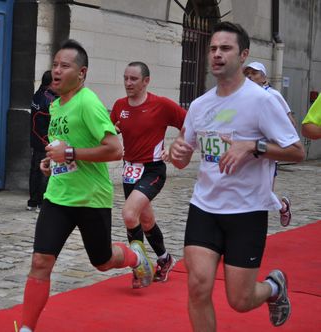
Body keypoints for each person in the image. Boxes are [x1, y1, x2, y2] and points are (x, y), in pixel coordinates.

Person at [169, 22, 305, 330]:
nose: (217, 54)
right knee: (197, 285)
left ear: (242, 55)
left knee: (240, 300)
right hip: (204, 206)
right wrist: (178, 153)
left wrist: (252, 146)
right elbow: (186, 153)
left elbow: (297, 151)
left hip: (247, 210)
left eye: (225, 48)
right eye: (213, 49)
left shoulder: (262, 101)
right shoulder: (201, 105)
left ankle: (273, 287)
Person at [18, 39, 154, 332]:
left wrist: (71, 154)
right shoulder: (55, 106)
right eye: (54, 64)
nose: (56, 71)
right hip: (58, 197)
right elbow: (65, 148)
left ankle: (134, 255)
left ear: (81, 73)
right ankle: (27, 328)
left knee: (102, 261)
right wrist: (52, 162)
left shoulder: (88, 103)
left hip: (91, 198)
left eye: (64, 66)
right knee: (41, 262)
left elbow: (115, 149)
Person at [110, 61, 186, 287]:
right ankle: (164, 259)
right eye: (125, 78)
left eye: (133, 79)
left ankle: (139, 267)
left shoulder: (160, 105)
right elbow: (111, 129)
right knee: (145, 220)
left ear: (146, 81)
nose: (128, 83)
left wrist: (175, 147)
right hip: (130, 170)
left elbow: (189, 123)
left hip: (152, 170)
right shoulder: (119, 105)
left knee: (128, 214)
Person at [243, 61, 294, 226]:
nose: (250, 77)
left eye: (255, 73)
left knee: (264, 193)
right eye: (247, 73)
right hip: (246, 152)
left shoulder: (273, 95)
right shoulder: (242, 96)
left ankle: (283, 207)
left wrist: (275, 141)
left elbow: (290, 122)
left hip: (266, 152)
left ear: (264, 77)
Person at [27, 70, 57, 212]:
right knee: (44, 171)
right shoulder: (51, 100)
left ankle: (32, 201)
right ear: (51, 83)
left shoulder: (37, 95)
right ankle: (41, 202)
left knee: (34, 170)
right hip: (45, 140)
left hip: (35, 139)